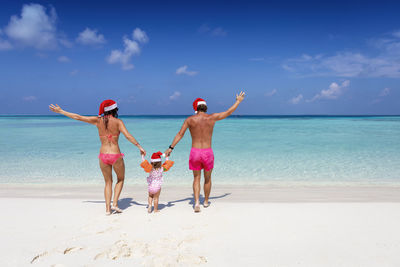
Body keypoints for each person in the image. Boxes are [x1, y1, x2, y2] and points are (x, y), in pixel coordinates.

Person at [49, 100, 146, 215]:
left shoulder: (97, 121)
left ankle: (107, 209)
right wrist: (139, 147)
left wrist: (61, 111)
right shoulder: (118, 122)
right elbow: (128, 136)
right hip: (115, 155)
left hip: (103, 155)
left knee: (108, 182)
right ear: (114, 109)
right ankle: (114, 204)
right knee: (120, 179)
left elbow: (78, 117)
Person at [165, 91, 245, 212]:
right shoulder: (211, 118)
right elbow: (228, 112)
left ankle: (196, 202)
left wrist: (171, 148)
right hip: (207, 152)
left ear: (196, 108)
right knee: (207, 179)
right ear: (205, 107)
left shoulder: (190, 119)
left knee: (196, 179)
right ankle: (206, 201)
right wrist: (238, 101)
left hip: (195, 152)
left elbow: (180, 134)